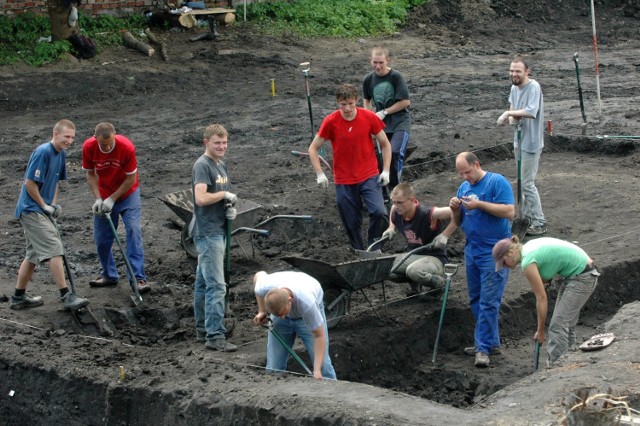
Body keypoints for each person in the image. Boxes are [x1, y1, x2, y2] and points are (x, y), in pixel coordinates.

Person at [11, 119, 89, 311]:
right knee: (55, 248)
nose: (70, 141)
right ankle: (66, 296)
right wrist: (43, 205)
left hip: (41, 210)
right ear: (55, 134)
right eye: (66, 136)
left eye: (72, 137)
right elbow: (29, 183)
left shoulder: (61, 154)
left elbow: (54, 182)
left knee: (33, 255)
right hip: (30, 210)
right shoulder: (43, 152)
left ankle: (18, 297)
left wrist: (52, 206)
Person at [449, 152, 515, 367]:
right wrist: (454, 209)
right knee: (476, 298)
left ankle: (483, 348)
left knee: (489, 300)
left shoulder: (496, 182)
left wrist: (480, 205)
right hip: (472, 248)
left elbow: (509, 211)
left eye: (467, 172)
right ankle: (490, 343)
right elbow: (458, 222)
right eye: (461, 174)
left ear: (476, 164)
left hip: (494, 249)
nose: (465, 177)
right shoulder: (463, 188)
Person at [308, 83, 392, 250]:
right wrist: (320, 173)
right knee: (351, 220)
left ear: (357, 101)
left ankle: (374, 245)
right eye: (343, 104)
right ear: (337, 103)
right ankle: (359, 250)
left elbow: (385, 144)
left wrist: (386, 170)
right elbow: (313, 148)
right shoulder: (331, 122)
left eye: (351, 104)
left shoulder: (368, 117)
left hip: (368, 175)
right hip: (344, 179)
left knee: (379, 212)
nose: (347, 108)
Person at [493, 236, 600, 364]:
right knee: (566, 325)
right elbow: (552, 262)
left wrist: (540, 331)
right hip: (579, 274)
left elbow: (541, 298)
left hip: (582, 277)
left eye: (504, 262)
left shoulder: (528, 262)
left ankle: (556, 370)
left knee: (558, 326)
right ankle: (570, 364)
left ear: (511, 252)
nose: (505, 267)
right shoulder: (528, 247)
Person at [82, 122, 151, 294]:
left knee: (134, 231)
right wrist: (98, 199)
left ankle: (138, 278)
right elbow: (90, 174)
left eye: (110, 143)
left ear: (115, 135)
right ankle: (108, 275)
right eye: (104, 145)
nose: (108, 147)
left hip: (128, 194)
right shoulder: (89, 147)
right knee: (101, 239)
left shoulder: (126, 146)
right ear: (95, 138)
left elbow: (130, 179)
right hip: (104, 194)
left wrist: (112, 199)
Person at [189, 124, 238, 352]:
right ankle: (215, 336)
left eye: (224, 142)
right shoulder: (202, 165)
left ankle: (202, 330)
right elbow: (200, 198)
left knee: (203, 283)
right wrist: (223, 194)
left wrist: (229, 206)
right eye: (217, 143)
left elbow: (218, 197)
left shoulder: (221, 165)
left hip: (218, 227)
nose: (222, 146)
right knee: (217, 286)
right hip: (208, 233)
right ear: (206, 142)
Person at [253, 270, 336, 380]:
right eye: (278, 315)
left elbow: (319, 336)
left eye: (283, 313)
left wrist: (316, 370)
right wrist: (262, 311)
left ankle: (332, 391)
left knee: (323, 367)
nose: (282, 317)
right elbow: (259, 275)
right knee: (274, 368)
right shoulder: (264, 286)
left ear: (290, 300)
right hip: (285, 301)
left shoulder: (307, 304)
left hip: (305, 316)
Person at [497, 55, 546, 236]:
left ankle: (539, 221)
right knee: (520, 182)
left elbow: (531, 111)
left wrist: (508, 113)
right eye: (511, 70)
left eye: (517, 71)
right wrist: (511, 117)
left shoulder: (534, 87)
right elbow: (513, 107)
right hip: (518, 140)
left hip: (531, 142)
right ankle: (526, 218)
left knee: (527, 183)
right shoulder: (514, 88)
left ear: (527, 71)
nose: (513, 74)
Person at [382, 183, 456, 297]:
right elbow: (392, 209)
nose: (396, 206)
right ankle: (415, 287)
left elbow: (458, 212)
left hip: (435, 259)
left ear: (411, 200)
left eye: (400, 202)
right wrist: (391, 227)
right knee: (384, 267)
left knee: (414, 270)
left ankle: (440, 284)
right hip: (413, 255)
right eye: (394, 201)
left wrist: (445, 235)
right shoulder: (397, 210)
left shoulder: (427, 213)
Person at [363, 46, 411, 193]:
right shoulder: (368, 79)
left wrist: (385, 112)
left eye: (381, 63)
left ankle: (396, 188)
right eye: (375, 62)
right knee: (381, 158)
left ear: (387, 61)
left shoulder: (395, 77)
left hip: (399, 122)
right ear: (370, 60)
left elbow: (405, 102)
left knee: (395, 152)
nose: (378, 66)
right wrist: (369, 117)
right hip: (381, 125)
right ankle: (383, 191)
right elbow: (366, 100)